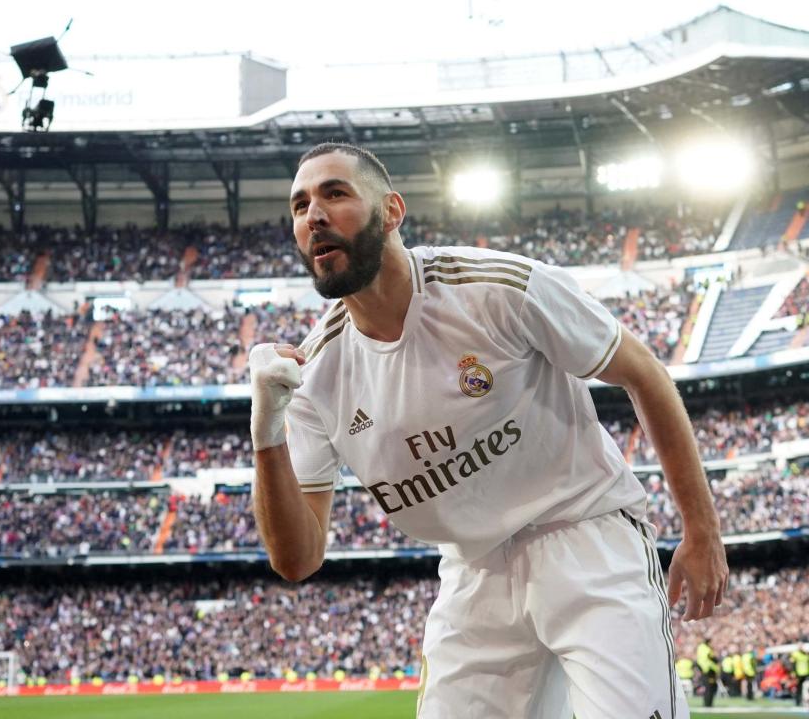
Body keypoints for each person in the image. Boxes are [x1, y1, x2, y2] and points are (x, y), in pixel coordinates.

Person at [248, 142, 729, 719]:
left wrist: (701, 531)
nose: (314, 215)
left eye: (335, 193)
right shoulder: (313, 374)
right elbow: (297, 560)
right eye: (299, 205)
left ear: (393, 211)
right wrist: (267, 431)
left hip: (586, 533)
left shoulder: (497, 286)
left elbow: (645, 373)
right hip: (472, 571)